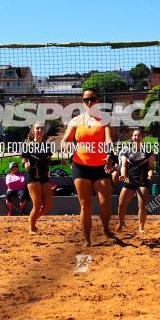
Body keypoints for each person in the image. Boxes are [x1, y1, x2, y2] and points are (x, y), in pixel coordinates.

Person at [63, 87, 115, 246]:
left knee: (105, 203)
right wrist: (68, 148)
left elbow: (108, 140)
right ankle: (87, 239)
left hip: (101, 166)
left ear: (98, 100)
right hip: (81, 166)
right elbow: (65, 141)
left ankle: (106, 229)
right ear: (83, 102)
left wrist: (109, 154)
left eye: (92, 99)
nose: (90, 102)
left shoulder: (105, 119)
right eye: (86, 100)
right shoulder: (76, 121)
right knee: (85, 205)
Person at [116, 128, 155, 233]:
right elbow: (123, 165)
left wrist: (150, 173)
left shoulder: (148, 151)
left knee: (142, 205)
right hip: (129, 179)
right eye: (135, 135)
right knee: (121, 204)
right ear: (132, 137)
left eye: (139, 135)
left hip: (143, 180)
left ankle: (141, 227)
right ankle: (121, 222)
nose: (137, 137)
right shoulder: (126, 149)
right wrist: (123, 175)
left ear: (142, 137)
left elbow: (151, 166)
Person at [22, 121, 54, 233]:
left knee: (49, 204)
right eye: (37, 128)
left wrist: (61, 162)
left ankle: (32, 219)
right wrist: (26, 164)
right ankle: (31, 227)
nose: (39, 130)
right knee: (37, 204)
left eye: (41, 128)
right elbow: (24, 161)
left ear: (43, 131)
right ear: (33, 130)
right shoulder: (28, 145)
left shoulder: (47, 145)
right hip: (32, 177)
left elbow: (49, 162)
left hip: (44, 177)